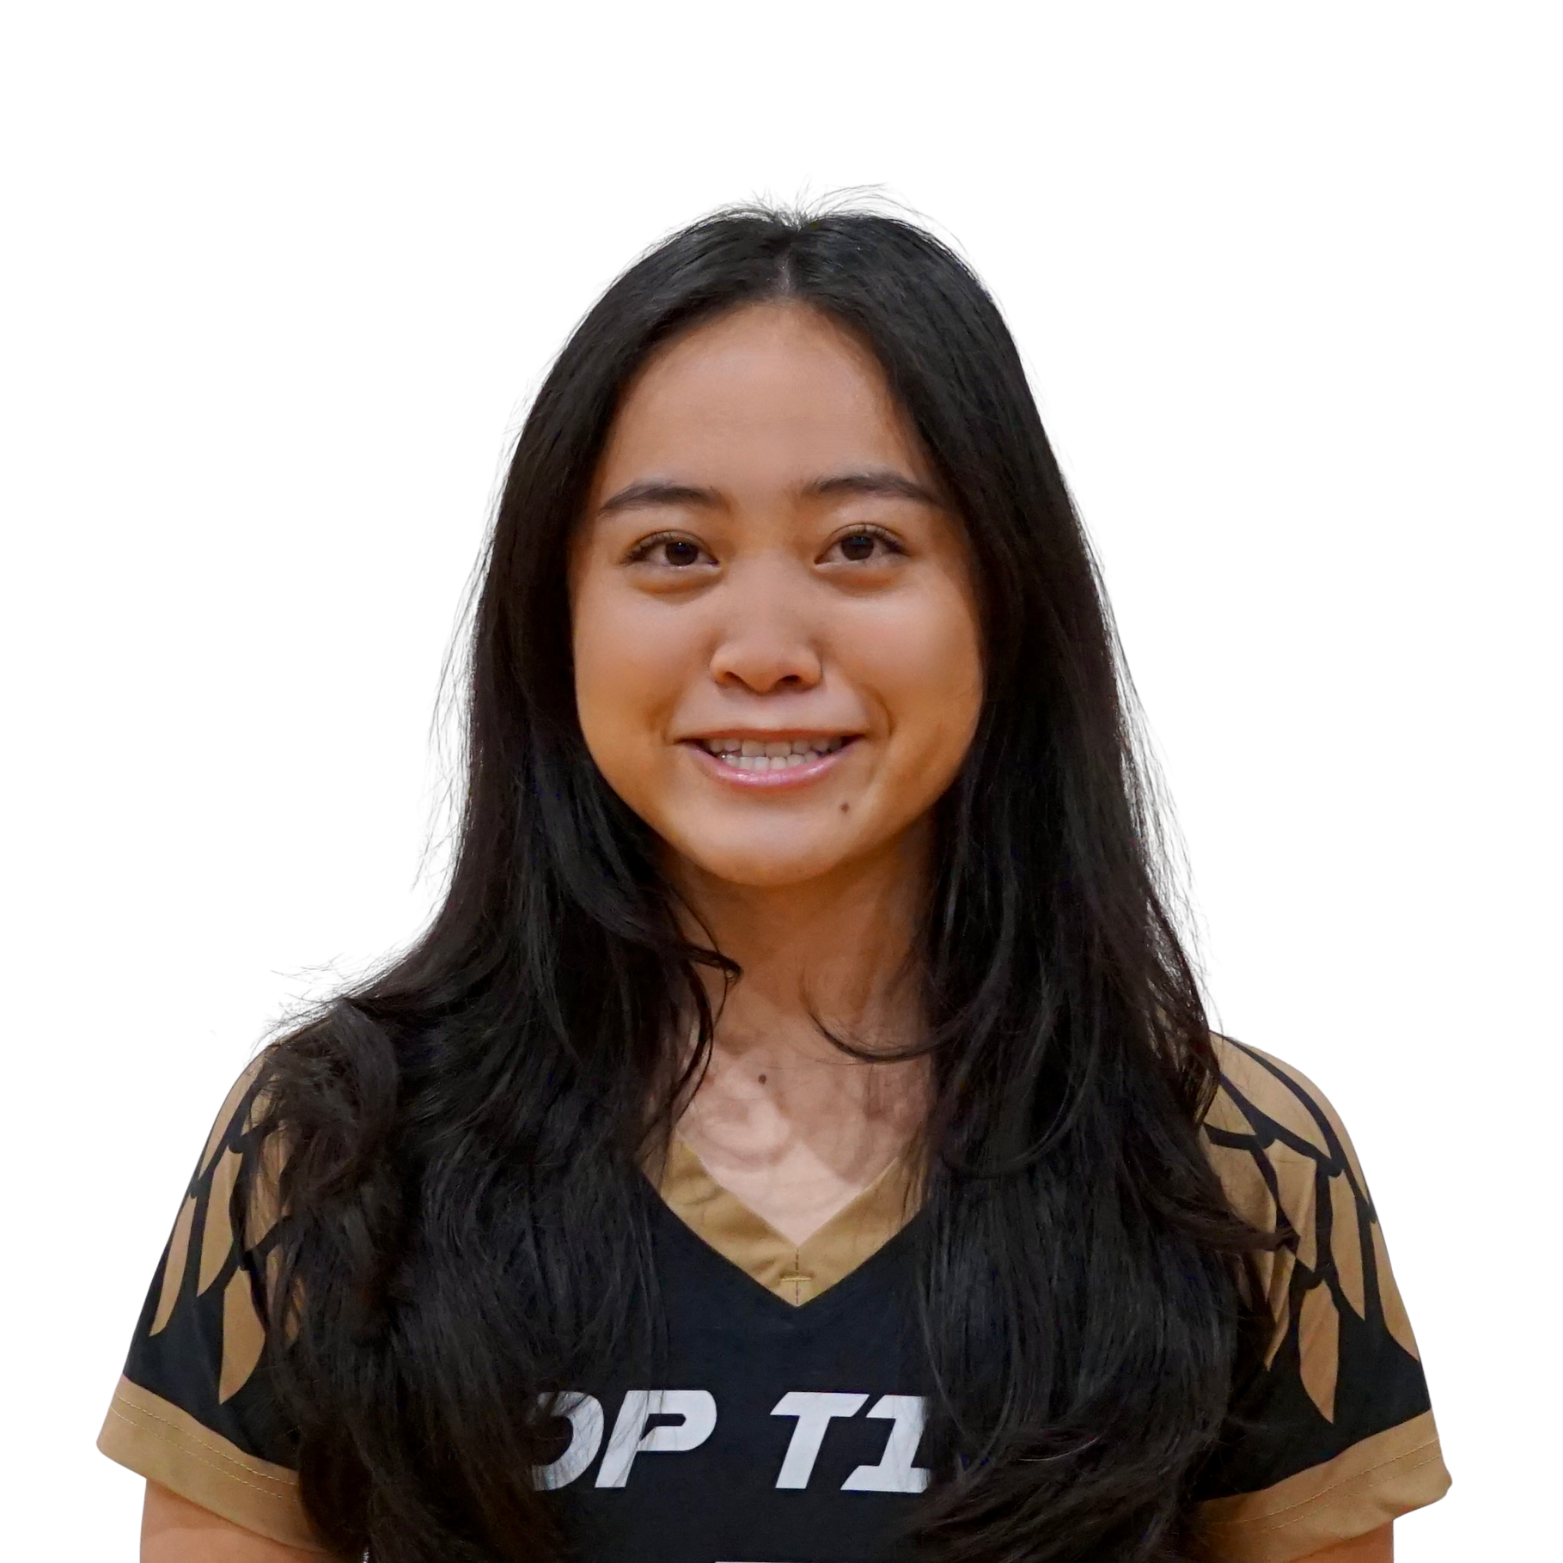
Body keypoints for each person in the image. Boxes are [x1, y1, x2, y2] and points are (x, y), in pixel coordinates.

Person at [99, 203, 1450, 1563]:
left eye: (861, 544)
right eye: (672, 551)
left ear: (1003, 600)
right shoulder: (338, 1142)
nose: (761, 646)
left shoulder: (1226, 1162)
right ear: (554, 612)